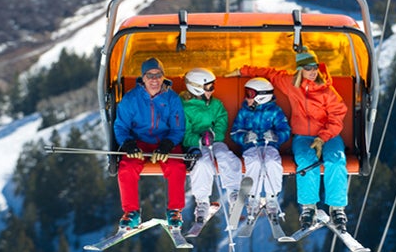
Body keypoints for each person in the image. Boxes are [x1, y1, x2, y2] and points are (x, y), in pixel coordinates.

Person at [227, 47, 350, 232]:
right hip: (303, 136)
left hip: (329, 135)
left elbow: (337, 115)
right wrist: (242, 70)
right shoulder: (291, 84)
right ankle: (308, 207)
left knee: (336, 159)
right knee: (306, 161)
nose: (312, 71)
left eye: (315, 67)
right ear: (300, 69)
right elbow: (270, 73)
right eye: (308, 68)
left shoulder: (327, 91)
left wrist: (322, 138)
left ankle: (337, 207)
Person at [113, 57, 186, 230]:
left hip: (165, 141)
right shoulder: (131, 99)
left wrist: (168, 144)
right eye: (149, 75)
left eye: (158, 75)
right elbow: (121, 126)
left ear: (163, 77)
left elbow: (178, 128)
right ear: (143, 78)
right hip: (140, 141)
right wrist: (128, 144)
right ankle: (131, 212)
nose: (154, 79)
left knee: (176, 166)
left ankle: (175, 210)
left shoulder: (172, 99)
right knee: (127, 167)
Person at [180, 68, 243, 223]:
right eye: (209, 87)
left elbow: (222, 120)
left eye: (213, 86)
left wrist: (215, 134)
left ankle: (233, 191)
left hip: (215, 141)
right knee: (202, 163)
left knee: (225, 156)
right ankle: (202, 201)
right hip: (195, 145)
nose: (212, 90)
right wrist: (198, 140)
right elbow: (184, 132)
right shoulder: (184, 107)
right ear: (196, 87)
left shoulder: (215, 104)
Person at [230, 78, 291, 221]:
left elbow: (286, 131)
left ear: (262, 96)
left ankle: (272, 197)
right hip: (251, 146)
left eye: (250, 94)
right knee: (255, 162)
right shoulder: (244, 112)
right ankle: (253, 198)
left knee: (271, 162)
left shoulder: (275, 112)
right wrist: (245, 137)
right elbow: (234, 133)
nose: (246, 98)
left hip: (270, 146)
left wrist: (275, 136)